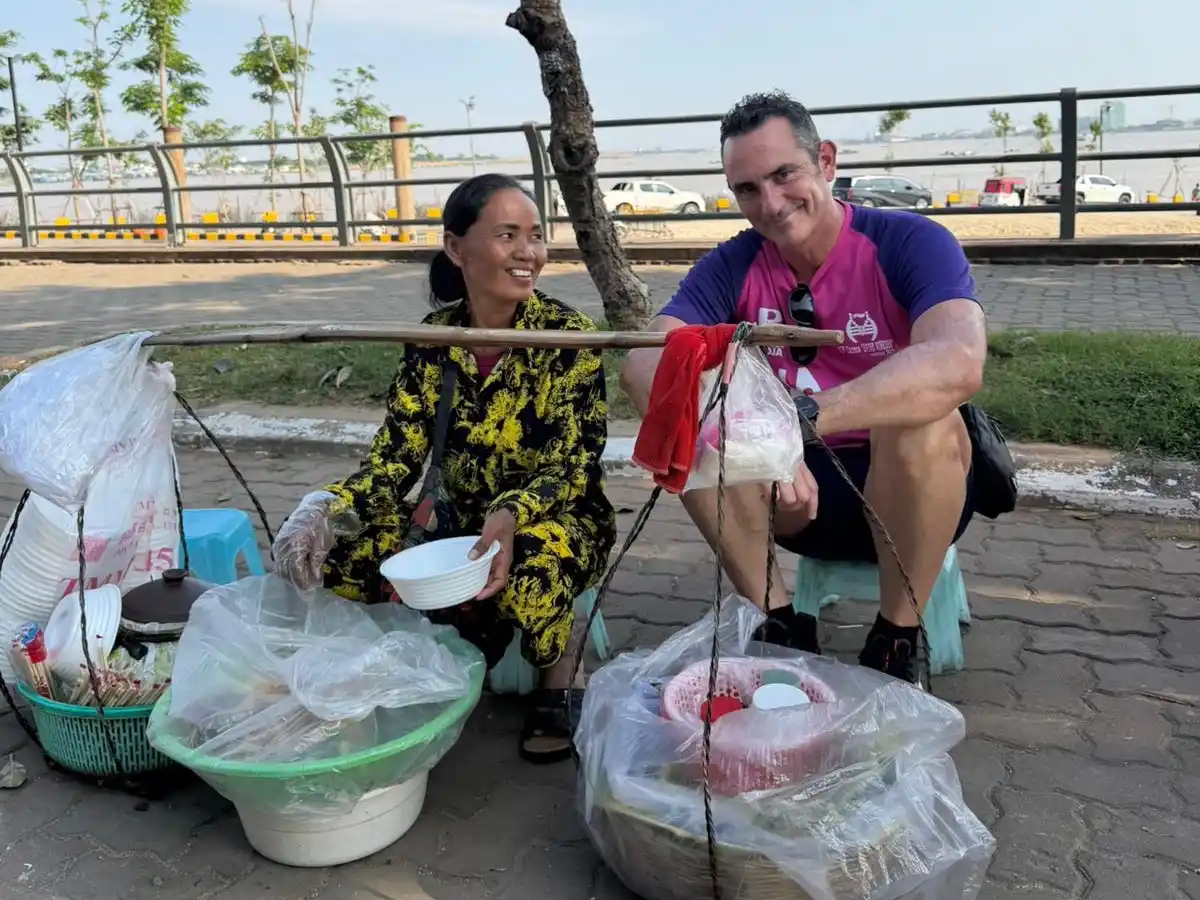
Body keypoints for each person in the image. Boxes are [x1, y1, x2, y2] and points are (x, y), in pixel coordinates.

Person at [620, 91, 989, 687]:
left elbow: (959, 359)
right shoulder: (732, 265)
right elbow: (646, 363)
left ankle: (897, 637)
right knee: (683, 425)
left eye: (784, 174)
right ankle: (781, 624)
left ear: (825, 160)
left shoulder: (908, 242)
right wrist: (758, 441)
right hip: (793, 495)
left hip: (916, 495)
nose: (769, 204)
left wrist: (803, 418)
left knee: (923, 420)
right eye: (746, 189)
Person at [273, 173, 617, 762]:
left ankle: (561, 676)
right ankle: (392, 667)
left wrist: (513, 512)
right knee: (344, 551)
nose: (528, 252)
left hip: (556, 513)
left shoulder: (569, 338)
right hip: (455, 517)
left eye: (534, 236)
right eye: (507, 235)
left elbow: (575, 463)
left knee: (535, 564)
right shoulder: (431, 339)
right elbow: (396, 456)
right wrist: (326, 509)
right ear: (457, 248)